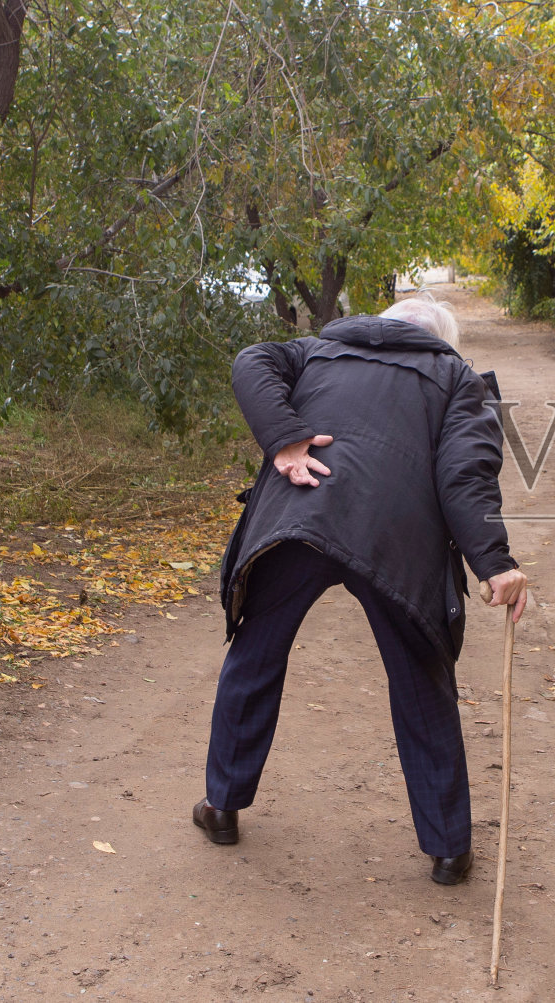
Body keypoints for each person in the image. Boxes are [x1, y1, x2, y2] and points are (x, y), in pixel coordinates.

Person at [197, 292, 527, 886]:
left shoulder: (314, 350)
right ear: (440, 339)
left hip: (298, 517)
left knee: (254, 656)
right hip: (395, 538)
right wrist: (494, 563)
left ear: (381, 324)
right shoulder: (457, 378)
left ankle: (221, 806)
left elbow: (251, 360)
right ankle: (449, 849)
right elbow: (465, 475)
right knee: (422, 681)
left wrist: (285, 438)